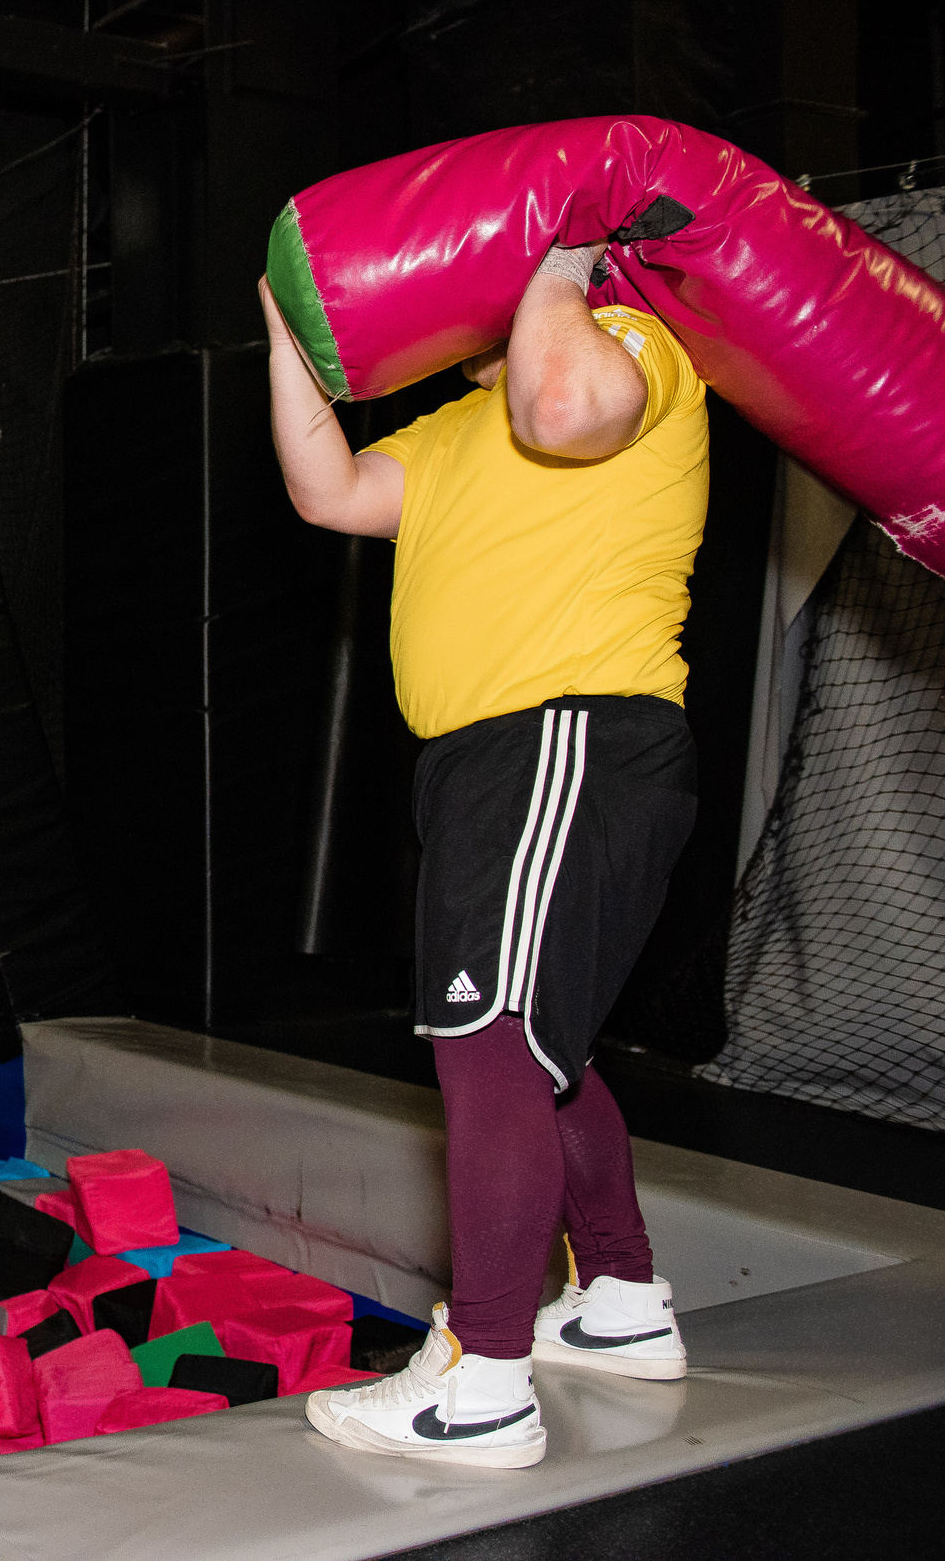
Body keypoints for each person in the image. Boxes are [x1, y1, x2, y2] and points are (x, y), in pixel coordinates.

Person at [263, 244, 704, 1470]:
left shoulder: (634, 352)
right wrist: (288, 336)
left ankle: (484, 1383)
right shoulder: (463, 425)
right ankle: (618, 1301)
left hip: (563, 731)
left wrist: (558, 262)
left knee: (492, 1040)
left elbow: (560, 403)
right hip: (488, 761)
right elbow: (327, 490)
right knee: (537, 1048)